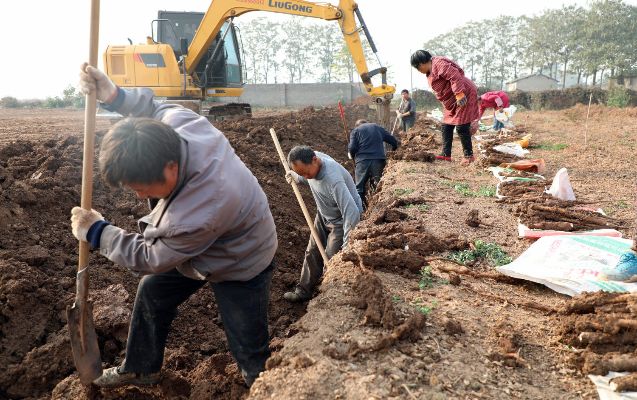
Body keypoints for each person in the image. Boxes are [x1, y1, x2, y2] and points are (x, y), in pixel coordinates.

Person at [72, 63, 277, 388]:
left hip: (242, 258)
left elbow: (151, 257)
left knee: (248, 346)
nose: (138, 195)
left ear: (170, 169)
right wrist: (113, 94)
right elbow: (153, 107)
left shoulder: (200, 210)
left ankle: (263, 386)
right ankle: (142, 368)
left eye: (141, 187)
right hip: (205, 241)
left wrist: (98, 231)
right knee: (153, 291)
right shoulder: (179, 124)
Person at [283, 146, 363, 302]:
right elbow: (308, 178)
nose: (305, 177)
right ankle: (303, 290)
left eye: (305, 173)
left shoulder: (333, 179)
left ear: (315, 160)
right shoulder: (310, 163)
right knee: (312, 251)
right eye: (301, 174)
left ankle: (326, 296)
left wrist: (347, 245)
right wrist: (296, 177)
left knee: (332, 258)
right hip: (323, 213)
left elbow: (351, 213)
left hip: (341, 220)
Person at [410, 50, 480, 165]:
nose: (419, 71)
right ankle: (446, 154)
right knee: (446, 126)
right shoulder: (430, 71)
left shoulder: (438, 63)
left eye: (417, 68)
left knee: (461, 126)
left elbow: (454, 75)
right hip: (452, 100)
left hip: (464, 93)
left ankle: (469, 156)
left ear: (421, 63)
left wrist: (459, 93)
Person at [348, 119, 398, 208]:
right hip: (378, 160)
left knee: (359, 188)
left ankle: (360, 210)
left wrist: (352, 156)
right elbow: (392, 140)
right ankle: (379, 207)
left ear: (357, 125)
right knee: (378, 185)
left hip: (362, 161)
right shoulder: (377, 127)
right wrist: (394, 149)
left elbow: (352, 147)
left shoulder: (355, 131)